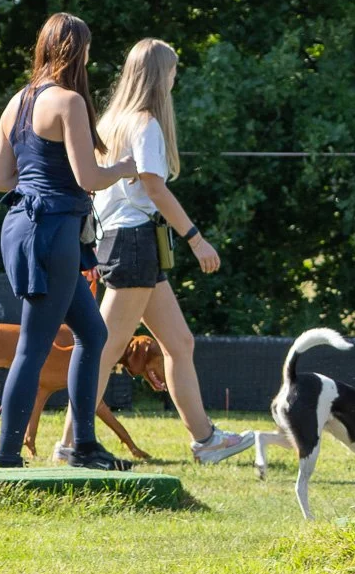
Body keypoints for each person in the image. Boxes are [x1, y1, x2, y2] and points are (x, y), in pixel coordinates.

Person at [57, 39, 254, 465]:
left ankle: (206, 441)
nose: (175, 78)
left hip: (126, 242)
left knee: (179, 343)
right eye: (173, 70)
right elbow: (153, 185)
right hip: (132, 244)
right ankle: (70, 443)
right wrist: (195, 237)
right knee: (104, 350)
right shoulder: (145, 124)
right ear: (160, 75)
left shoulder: (110, 121)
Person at [0, 13, 138, 471]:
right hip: (52, 231)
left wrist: (40, 182)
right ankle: (7, 460)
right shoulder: (69, 102)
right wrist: (125, 168)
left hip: (22, 226)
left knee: (92, 332)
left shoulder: (17, 102)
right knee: (33, 348)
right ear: (77, 51)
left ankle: (83, 445)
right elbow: (88, 176)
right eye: (88, 50)